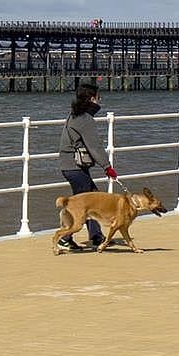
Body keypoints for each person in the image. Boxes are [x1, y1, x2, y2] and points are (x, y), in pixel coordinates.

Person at [56, 84, 113, 252]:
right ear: (91, 99)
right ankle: (65, 238)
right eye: (98, 97)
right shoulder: (85, 119)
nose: (100, 100)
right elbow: (94, 146)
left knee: (92, 199)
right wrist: (107, 167)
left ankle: (96, 236)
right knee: (84, 204)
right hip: (74, 167)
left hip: (70, 166)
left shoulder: (75, 115)